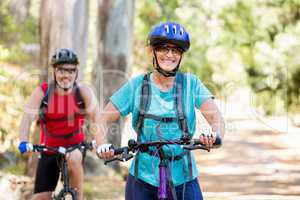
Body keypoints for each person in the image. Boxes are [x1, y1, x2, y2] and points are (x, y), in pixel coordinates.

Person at [96, 22, 225, 200]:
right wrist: (102, 144)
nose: (169, 55)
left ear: (181, 56)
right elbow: (101, 119)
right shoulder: (137, 86)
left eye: (176, 50)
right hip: (143, 178)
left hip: (184, 177)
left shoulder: (191, 84)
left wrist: (214, 135)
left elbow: (216, 117)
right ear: (153, 52)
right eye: (163, 48)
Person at [18, 49, 99, 200]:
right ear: (54, 71)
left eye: (71, 70)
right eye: (61, 70)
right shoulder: (43, 92)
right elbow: (26, 118)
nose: (66, 75)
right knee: (40, 198)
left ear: (76, 72)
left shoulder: (83, 92)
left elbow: (97, 118)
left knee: (74, 159)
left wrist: (99, 142)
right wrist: (23, 141)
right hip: (49, 149)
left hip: (76, 147)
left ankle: (78, 197)